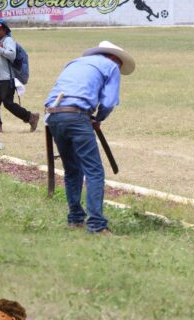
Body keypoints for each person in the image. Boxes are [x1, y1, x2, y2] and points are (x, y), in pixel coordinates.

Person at [44, 41, 135, 234]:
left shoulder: (75, 62)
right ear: (114, 58)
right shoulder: (111, 66)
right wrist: (98, 118)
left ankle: (75, 219)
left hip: (53, 114)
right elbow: (109, 101)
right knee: (94, 171)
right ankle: (96, 224)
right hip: (76, 115)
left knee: (72, 170)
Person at [0, 19, 39, 133]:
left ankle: (31, 117)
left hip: (7, 79)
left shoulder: (8, 40)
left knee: (8, 103)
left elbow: (12, 55)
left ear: (4, 30)